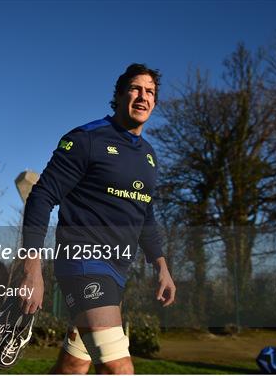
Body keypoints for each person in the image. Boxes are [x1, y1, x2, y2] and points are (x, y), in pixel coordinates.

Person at [19, 63, 176, 374]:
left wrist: (161, 266)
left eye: (150, 92)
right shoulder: (86, 139)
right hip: (83, 261)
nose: (143, 97)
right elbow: (41, 196)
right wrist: (31, 268)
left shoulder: (149, 156)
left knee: (73, 365)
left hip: (117, 271)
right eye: (135, 89)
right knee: (118, 369)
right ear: (118, 96)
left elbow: (144, 212)